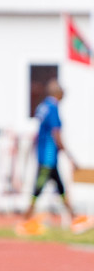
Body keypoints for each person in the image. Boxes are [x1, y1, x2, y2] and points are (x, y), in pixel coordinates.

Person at [20, 80, 92, 236]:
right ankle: (25, 220)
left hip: (45, 155)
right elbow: (56, 134)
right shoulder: (52, 108)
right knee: (38, 189)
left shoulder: (43, 106)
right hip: (48, 157)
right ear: (58, 93)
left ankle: (73, 218)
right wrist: (70, 156)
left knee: (60, 189)